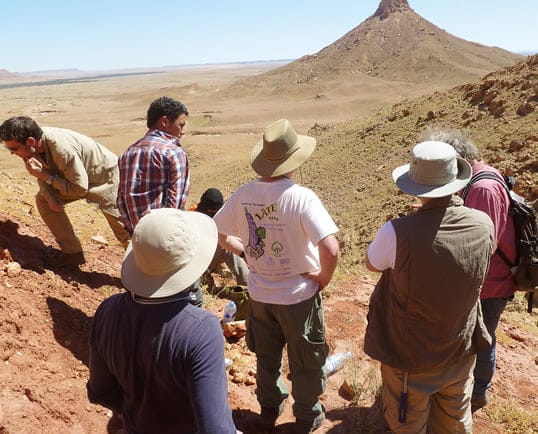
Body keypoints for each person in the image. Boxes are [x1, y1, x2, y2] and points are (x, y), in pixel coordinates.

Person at [214, 119, 340, 433]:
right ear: (294, 159)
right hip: (298, 294)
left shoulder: (244, 194)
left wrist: (245, 252)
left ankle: (270, 409)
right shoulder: (302, 197)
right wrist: (323, 277)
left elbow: (217, 229)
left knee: (266, 359)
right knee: (306, 360)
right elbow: (331, 248)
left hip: (259, 295)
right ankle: (308, 416)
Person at [364, 140, 494, 433]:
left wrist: (417, 220)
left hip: (411, 357)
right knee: (455, 422)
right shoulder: (483, 224)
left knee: (408, 423)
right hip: (460, 348)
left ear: (414, 185)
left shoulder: (398, 231)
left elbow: (372, 263)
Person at [87, 208, 238, 434]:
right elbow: (216, 429)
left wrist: (136, 413)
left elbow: (99, 391)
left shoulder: (107, 310)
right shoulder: (201, 329)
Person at [421, 128, 517, 412]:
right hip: (479, 279)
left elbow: (481, 243)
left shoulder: (483, 188)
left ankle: (477, 393)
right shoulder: (472, 181)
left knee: (482, 337)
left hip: (489, 282)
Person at [0, 116, 130, 266]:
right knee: (44, 200)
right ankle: (72, 253)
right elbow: (42, 173)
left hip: (105, 178)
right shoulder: (32, 146)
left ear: (30, 141)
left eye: (13, 148)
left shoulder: (62, 150)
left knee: (123, 231)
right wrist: (50, 196)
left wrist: (45, 176)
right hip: (77, 179)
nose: (11, 153)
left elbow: (79, 189)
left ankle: (145, 274)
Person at [117, 96, 190, 235]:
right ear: (164, 122)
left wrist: (134, 231)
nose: (182, 131)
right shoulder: (173, 153)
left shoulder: (127, 153)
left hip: (138, 237)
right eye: (181, 125)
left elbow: (121, 200)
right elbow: (176, 203)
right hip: (165, 236)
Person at [193, 188, 249, 287]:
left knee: (230, 246)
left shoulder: (224, 215)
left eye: (216, 211)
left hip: (212, 257)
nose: (214, 215)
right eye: (211, 211)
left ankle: (248, 285)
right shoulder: (192, 217)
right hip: (197, 264)